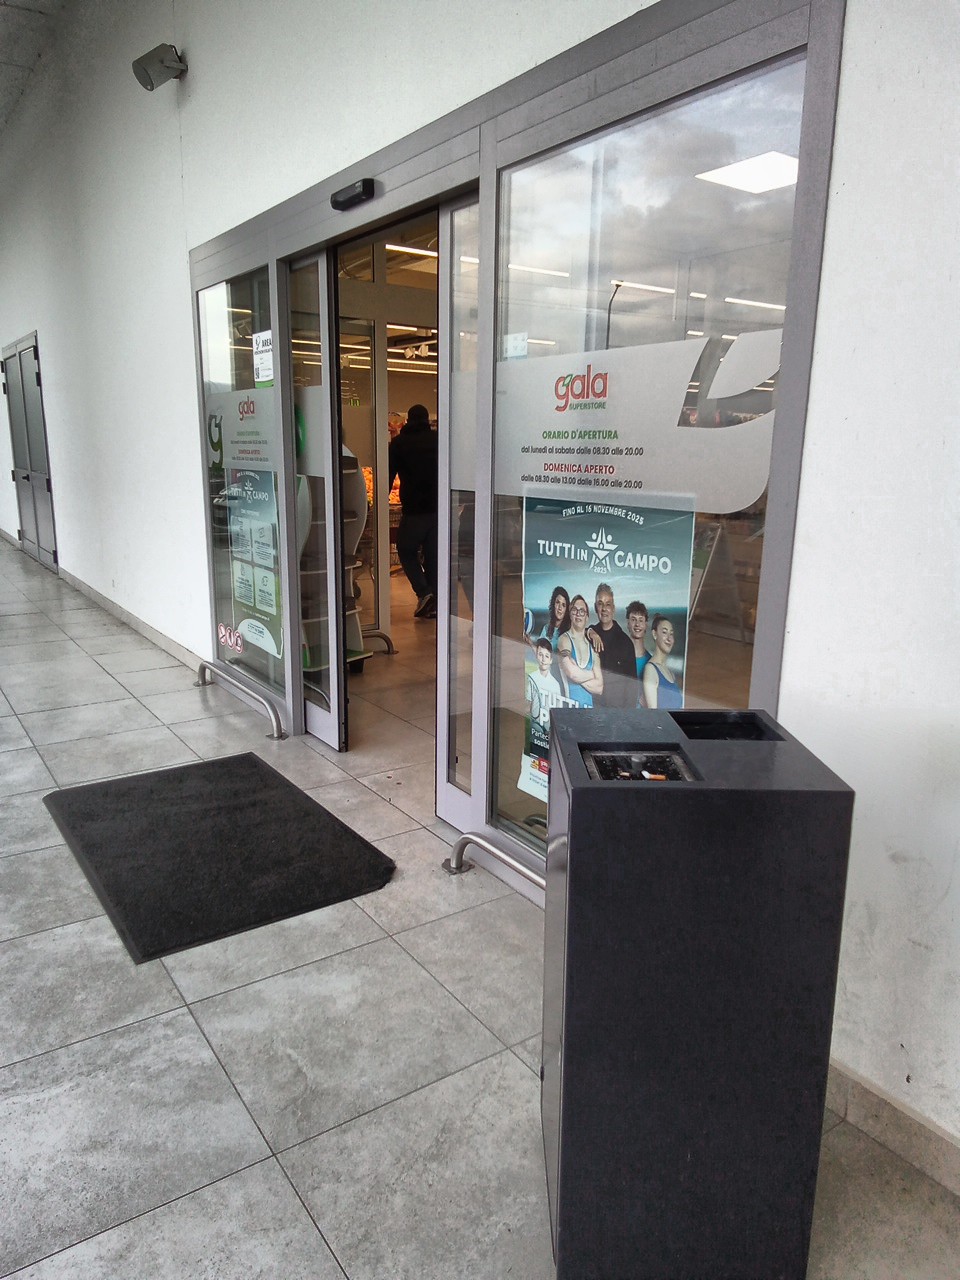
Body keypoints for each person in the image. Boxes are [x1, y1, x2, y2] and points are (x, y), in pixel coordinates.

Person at [388, 403, 438, 618]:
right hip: (438, 509)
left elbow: (389, 474)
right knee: (433, 557)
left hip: (414, 510)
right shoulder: (439, 440)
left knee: (406, 550)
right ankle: (434, 602)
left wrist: (379, 499)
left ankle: (424, 592)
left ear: (408, 420)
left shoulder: (399, 443)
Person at [585, 582, 637, 709]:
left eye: (608, 604)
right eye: (600, 603)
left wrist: (627, 716)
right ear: (595, 607)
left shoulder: (626, 643)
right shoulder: (588, 637)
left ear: (613, 608)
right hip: (592, 709)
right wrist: (589, 631)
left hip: (617, 712)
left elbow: (632, 688)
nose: (604, 608)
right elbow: (575, 633)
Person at [557, 594, 604, 707]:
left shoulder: (593, 649)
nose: (578, 614)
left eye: (582, 611)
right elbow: (572, 673)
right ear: (570, 614)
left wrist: (578, 675)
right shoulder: (564, 640)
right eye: (575, 610)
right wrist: (592, 675)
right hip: (569, 710)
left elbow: (599, 688)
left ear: (587, 617)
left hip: (589, 712)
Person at [643, 613, 683, 709]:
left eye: (671, 634)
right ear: (654, 634)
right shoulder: (651, 670)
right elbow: (653, 713)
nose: (669, 638)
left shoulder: (671, 673)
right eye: (664, 632)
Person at [527, 637, 564, 729]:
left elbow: (558, 712)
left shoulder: (556, 684)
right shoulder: (531, 678)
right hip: (535, 728)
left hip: (550, 730)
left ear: (551, 660)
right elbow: (528, 705)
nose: (543, 659)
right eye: (540, 655)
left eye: (547, 656)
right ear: (536, 656)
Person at [526, 584, 570, 654]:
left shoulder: (569, 631)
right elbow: (539, 654)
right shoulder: (546, 629)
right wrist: (529, 641)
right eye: (557, 602)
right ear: (553, 604)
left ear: (566, 609)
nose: (560, 608)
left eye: (563, 605)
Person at [626, 600, 650, 707]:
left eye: (641, 620)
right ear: (628, 624)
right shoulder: (620, 658)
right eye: (633, 619)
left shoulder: (651, 662)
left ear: (646, 625)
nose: (637, 624)